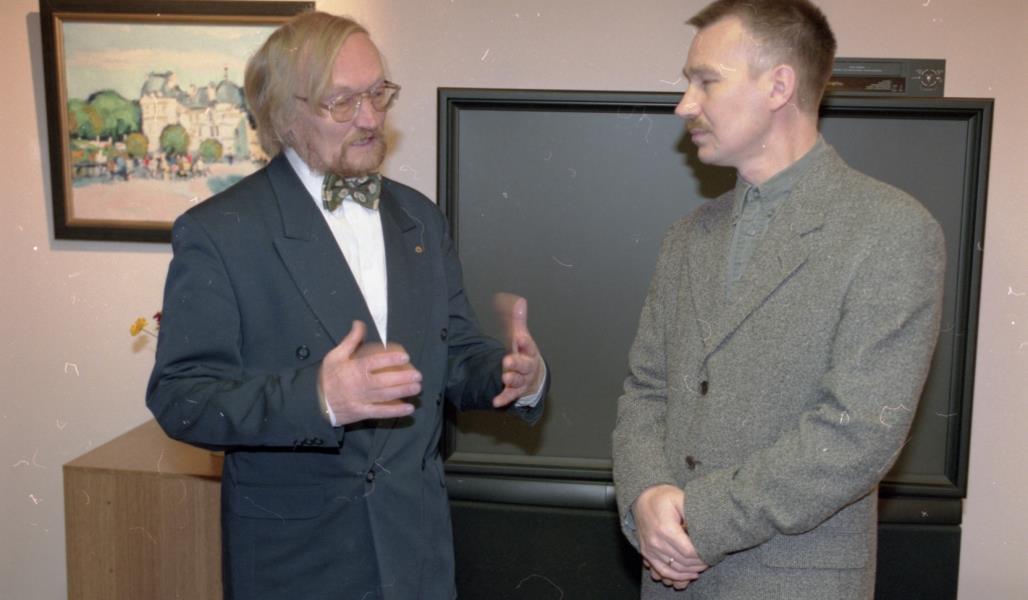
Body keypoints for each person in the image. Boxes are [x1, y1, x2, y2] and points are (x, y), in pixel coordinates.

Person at [146, 11, 547, 600]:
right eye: (342, 102)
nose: (371, 118)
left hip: (415, 555)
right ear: (283, 115)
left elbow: (452, 354)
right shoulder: (221, 231)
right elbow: (181, 399)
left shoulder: (420, 218)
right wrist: (319, 398)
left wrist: (511, 375)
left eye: (378, 93)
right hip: (296, 565)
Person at [611, 1, 945, 598]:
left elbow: (857, 432)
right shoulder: (687, 237)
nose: (684, 105)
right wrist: (645, 494)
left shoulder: (891, 230)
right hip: (670, 579)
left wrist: (699, 519)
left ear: (779, 86)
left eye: (706, 81)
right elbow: (646, 390)